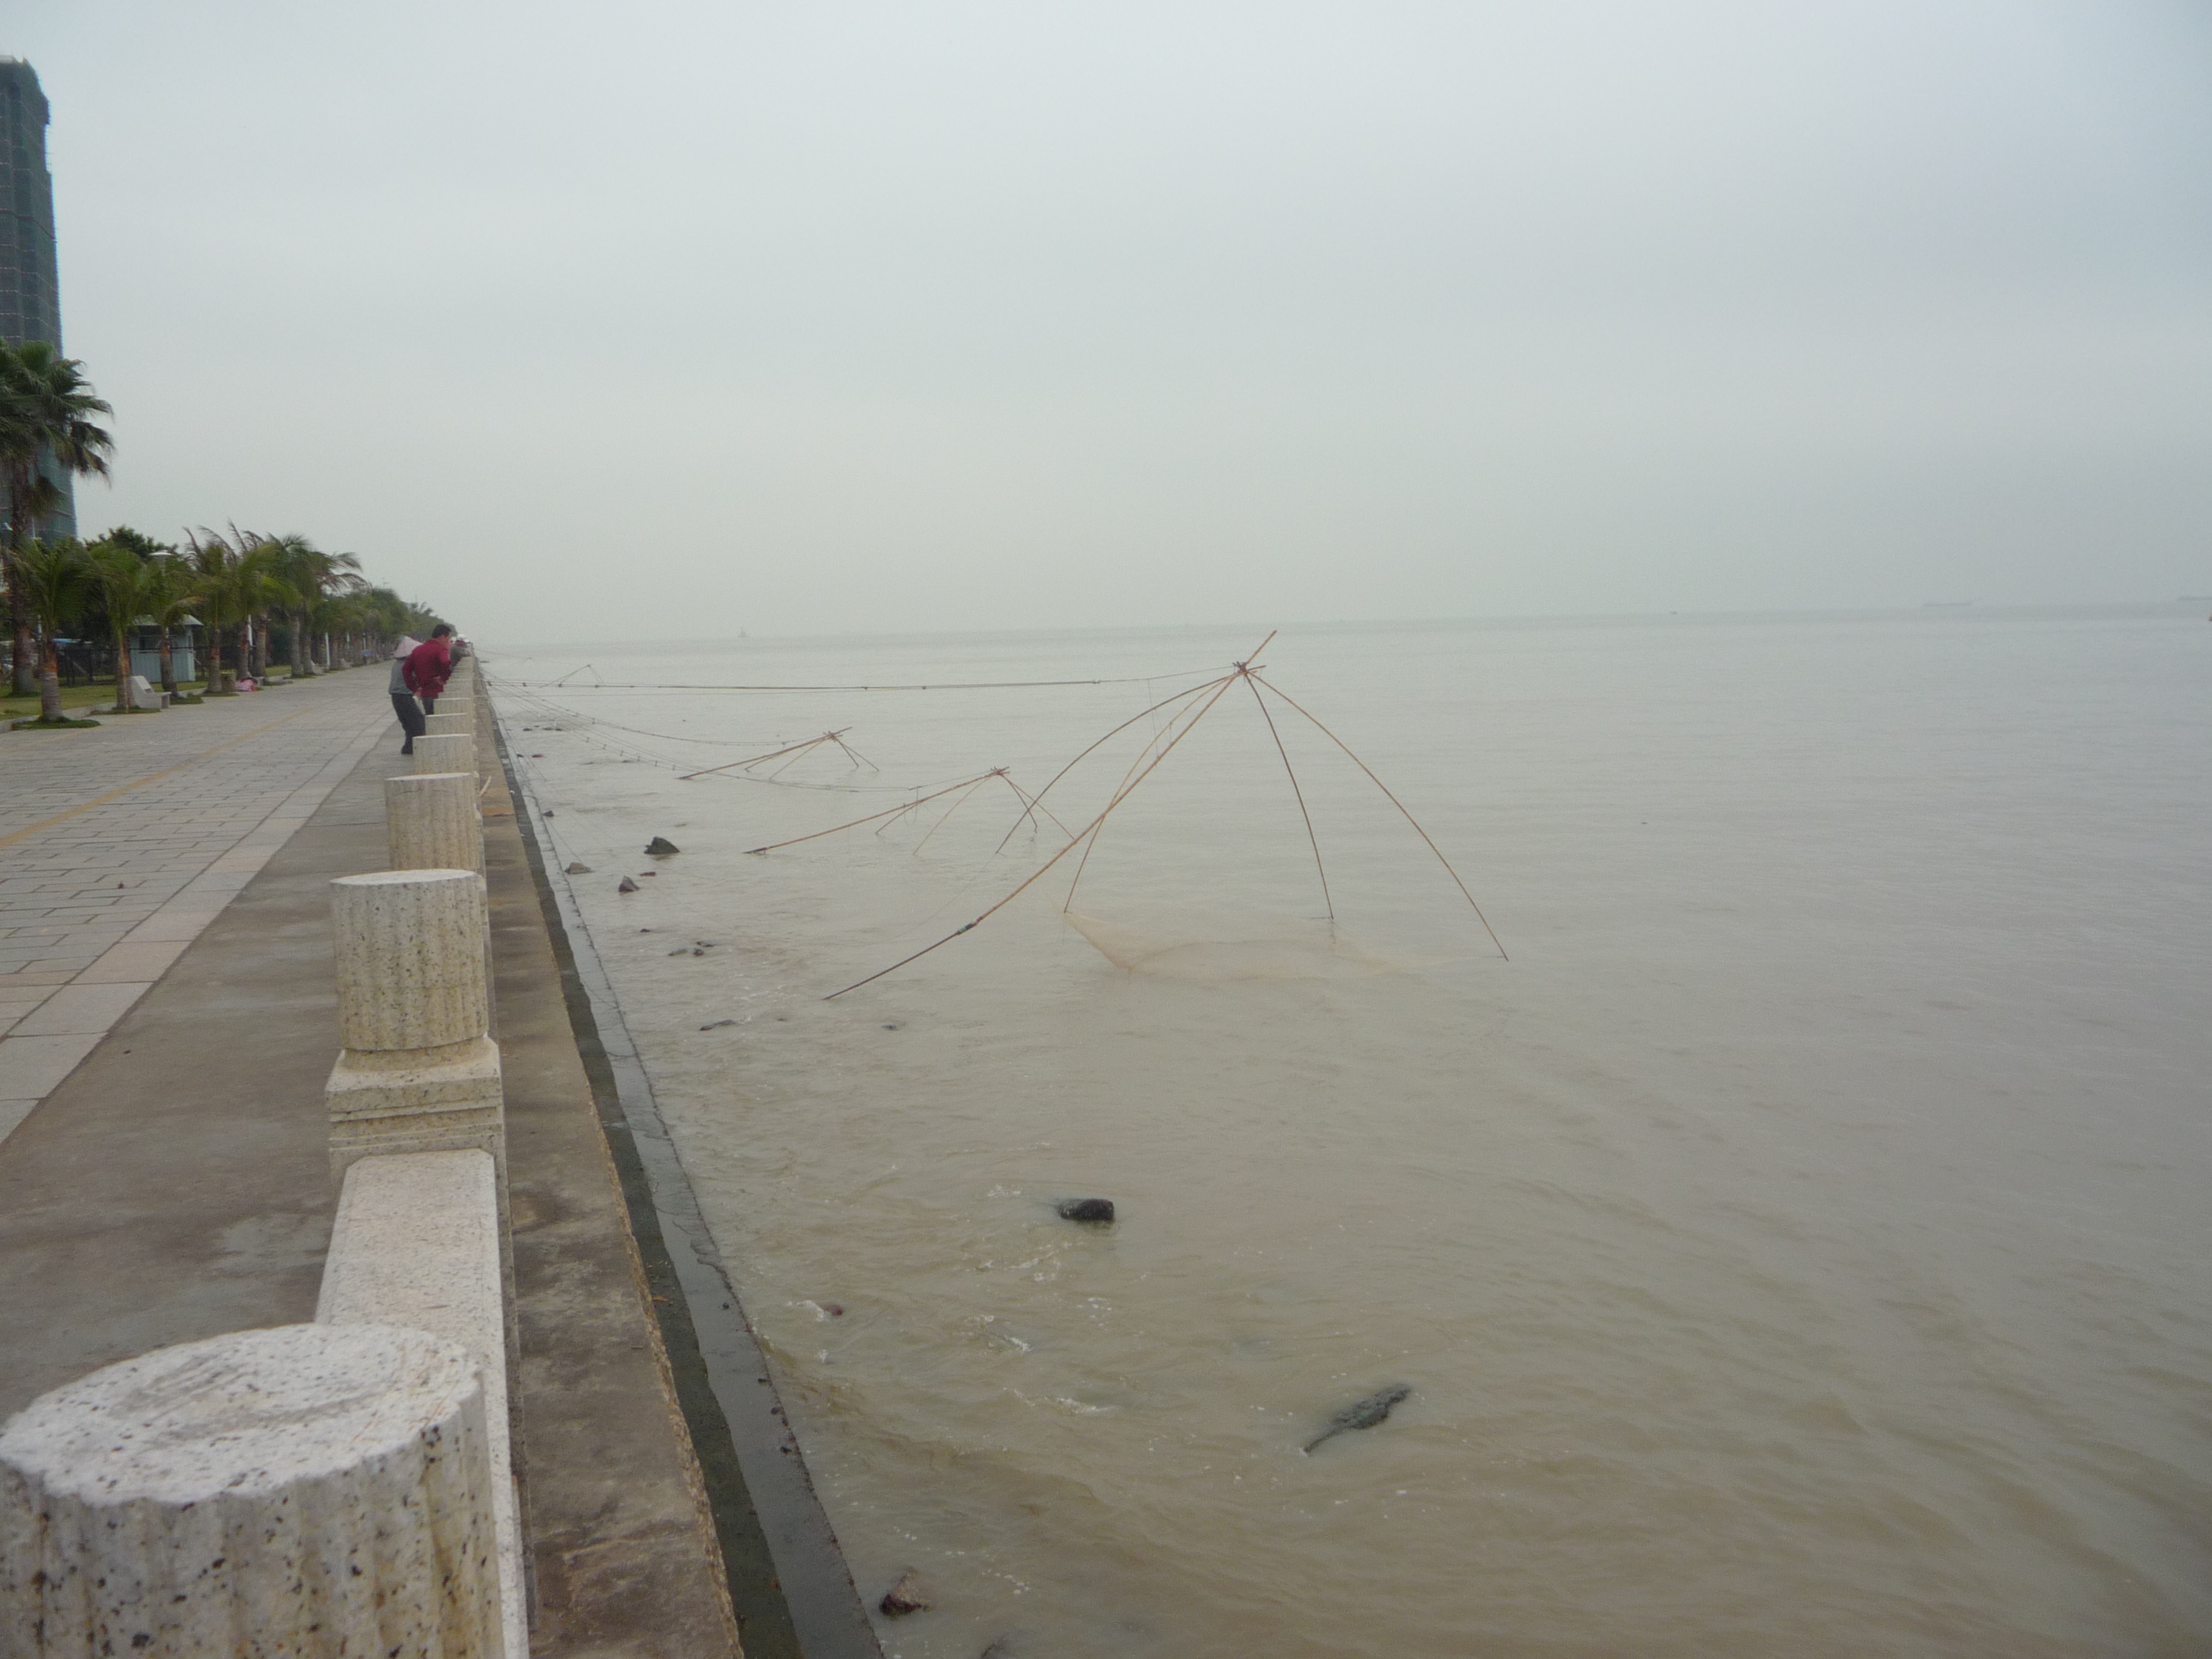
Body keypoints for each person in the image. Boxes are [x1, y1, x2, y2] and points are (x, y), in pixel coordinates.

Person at [388, 634, 424, 754]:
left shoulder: (398, 663)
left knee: (409, 724)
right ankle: (415, 748)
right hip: (403, 696)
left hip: (397, 696)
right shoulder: (406, 664)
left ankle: (409, 748)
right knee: (418, 722)